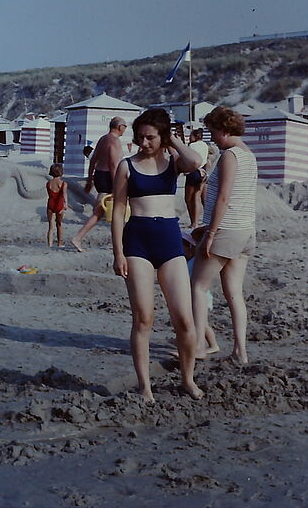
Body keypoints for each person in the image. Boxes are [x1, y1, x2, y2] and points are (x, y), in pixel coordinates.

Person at [110, 108, 203, 402]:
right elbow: (117, 212)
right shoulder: (127, 166)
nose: (144, 143)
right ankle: (145, 386)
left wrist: (172, 140)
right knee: (143, 319)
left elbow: (196, 162)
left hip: (169, 242)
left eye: (150, 137)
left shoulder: (174, 161)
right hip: (137, 242)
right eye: (140, 138)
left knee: (185, 321)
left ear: (161, 136)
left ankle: (187, 379)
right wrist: (118, 253)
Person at [190, 106, 257, 364]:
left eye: (214, 132)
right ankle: (240, 350)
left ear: (225, 130)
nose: (212, 137)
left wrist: (210, 232)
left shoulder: (230, 156)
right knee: (234, 293)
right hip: (245, 230)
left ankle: (197, 346)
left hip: (226, 230)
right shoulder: (249, 155)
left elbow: (224, 197)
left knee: (197, 286)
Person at [70, 117, 127, 252]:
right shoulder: (114, 141)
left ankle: (79, 237)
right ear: (119, 127)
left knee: (101, 211)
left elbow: (93, 160)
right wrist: (116, 185)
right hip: (109, 177)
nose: (125, 129)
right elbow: (113, 164)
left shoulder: (103, 139)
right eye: (125, 126)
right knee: (116, 210)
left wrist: (90, 180)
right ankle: (78, 238)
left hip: (100, 176)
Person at [180, 230, 219, 356]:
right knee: (190, 320)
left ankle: (213, 345)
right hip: (193, 296)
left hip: (201, 298)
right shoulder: (187, 262)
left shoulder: (194, 262)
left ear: (191, 248)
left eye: (183, 247)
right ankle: (180, 340)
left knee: (203, 324)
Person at [184, 129, 210, 228]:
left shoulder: (192, 146)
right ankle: (206, 220)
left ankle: (194, 222)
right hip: (203, 171)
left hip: (194, 171)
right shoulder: (205, 145)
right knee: (201, 198)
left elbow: (189, 159)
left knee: (189, 199)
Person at [46, 163, 68, 248]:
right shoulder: (63, 184)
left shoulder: (48, 183)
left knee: (50, 227)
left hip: (50, 204)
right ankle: (60, 243)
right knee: (59, 225)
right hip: (59, 205)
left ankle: (50, 244)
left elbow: (50, 194)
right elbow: (64, 194)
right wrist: (65, 204)